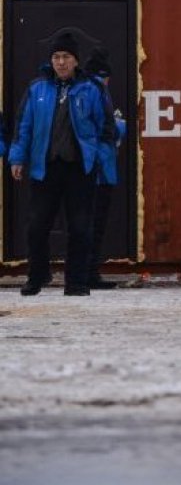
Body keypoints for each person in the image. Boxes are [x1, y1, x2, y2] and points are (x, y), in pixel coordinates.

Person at [9, 31, 114, 296]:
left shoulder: (92, 89)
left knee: (80, 227)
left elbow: (106, 129)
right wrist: (17, 158)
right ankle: (37, 276)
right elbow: (24, 125)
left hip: (80, 168)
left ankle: (76, 282)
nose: (61, 62)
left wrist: (98, 160)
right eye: (56, 57)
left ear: (76, 60)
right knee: (36, 226)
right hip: (45, 168)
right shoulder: (37, 89)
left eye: (66, 56)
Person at [85, 47, 127, 290]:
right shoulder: (97, 91)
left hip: (93, 169)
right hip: (99, 170)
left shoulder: (84, 89)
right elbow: (103, 132)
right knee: (94, 223)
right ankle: (88, 273)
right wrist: (120, 127)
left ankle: (87, 272)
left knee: (87, 223)